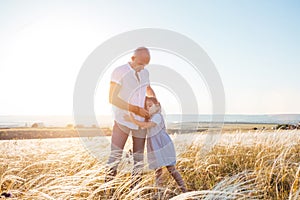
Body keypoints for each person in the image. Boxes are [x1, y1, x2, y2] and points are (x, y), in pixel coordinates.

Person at [105, 47, 156, 188]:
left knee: (139, 159)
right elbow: (112, 98)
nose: (142, 67)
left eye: (145, 64)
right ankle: (107, 191)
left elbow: (148, 88)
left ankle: (135, 191)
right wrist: (136, 109)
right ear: (132, 59)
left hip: (140, 123)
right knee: (115, 156)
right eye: (140, 63)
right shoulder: (119, 71)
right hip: (123, 120)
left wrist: (155, 103)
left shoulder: (145, 72)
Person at [124, 97, 187, 193]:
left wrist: (132, 119)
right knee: (158, 171)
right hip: (155, 147)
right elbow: (142, 123)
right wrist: (130, 119)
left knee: (171, 169)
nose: (148, 108)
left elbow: (145, 125)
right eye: (146, 107)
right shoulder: (151, 117)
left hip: (163, 146)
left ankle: (184, 190)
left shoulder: (157, 116)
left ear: (157, 105)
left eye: (150, 105)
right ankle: (159, 193)